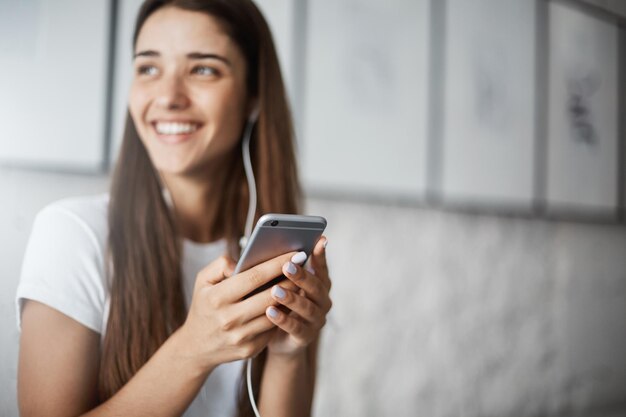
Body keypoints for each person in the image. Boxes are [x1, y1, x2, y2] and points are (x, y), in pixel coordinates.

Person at [15, 1, 332, 416]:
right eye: (148, 68)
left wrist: (290, 353)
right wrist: (194, 349)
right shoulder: (72, 233)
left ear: (254, 96)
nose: (167, 97)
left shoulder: (273, 254)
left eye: (203, 69)